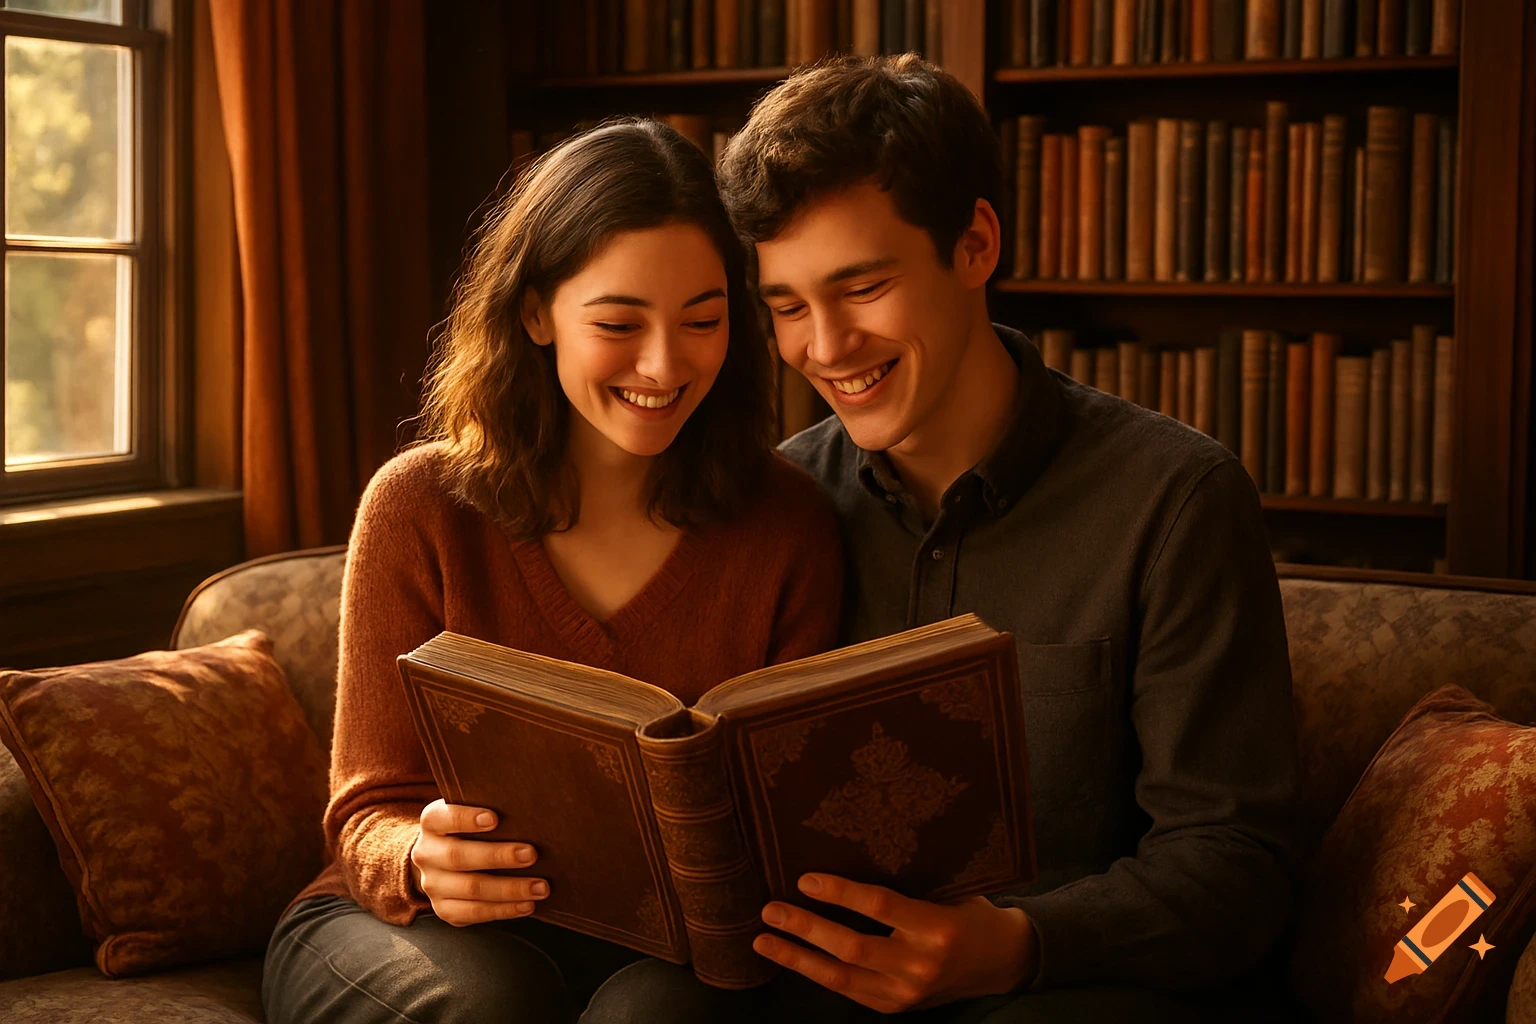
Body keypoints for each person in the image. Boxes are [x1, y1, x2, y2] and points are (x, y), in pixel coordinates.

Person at [706, 54, 1299, 1021]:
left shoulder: (1176, 498)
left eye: (861, 289)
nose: (825, 347)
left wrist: (1021, 947)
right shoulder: (773, 500)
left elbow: (1238, 865)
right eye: (786, 308)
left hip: (1063, 991)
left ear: (975, 243)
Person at [260, 119, 845, 1024]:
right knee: (494, 1001)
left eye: (704, 319)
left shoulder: (787, 525)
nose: (664, 364)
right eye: (618, 323)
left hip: (670, 950)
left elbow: (792, 814)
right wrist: (423, 856)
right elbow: (366, 809)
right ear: (535, 312)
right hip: (412, 926)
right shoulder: (421, 505)